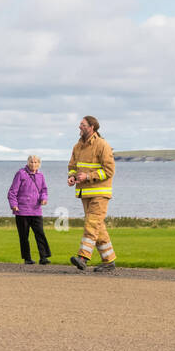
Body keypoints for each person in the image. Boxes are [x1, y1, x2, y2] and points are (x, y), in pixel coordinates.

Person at [67, 115, 117, 272]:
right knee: (98, 226)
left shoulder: (102, 145)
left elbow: (109, 171)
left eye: (82, 125)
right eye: (80, 124)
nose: (79, 127)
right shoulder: (77, 147)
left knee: (91, 225)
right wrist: (72, 177)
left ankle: (83, 258)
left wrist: (88, 176)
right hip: (85, 193)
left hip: (100, 194)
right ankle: (109, 261)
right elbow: (72, 166)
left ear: (91, 127)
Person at [8, 154, 51, 264]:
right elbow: (12, 191)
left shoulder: (41, 176)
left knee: (40, 233)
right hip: (22, 210)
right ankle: (27, 259)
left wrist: (44, 198)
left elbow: (44, 190)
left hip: (36, 210)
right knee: (24, 236)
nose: (33, 164)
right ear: (28, 162)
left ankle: (44, 257)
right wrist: (14, 205)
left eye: (36, 162)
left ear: (39, 164)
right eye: (31, 162)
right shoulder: (20, 173)